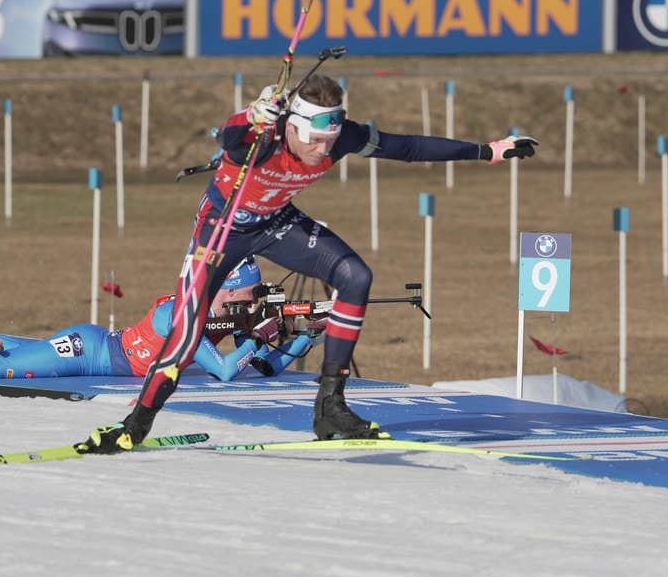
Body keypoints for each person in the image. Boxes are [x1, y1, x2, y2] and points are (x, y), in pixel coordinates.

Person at [83, 74, 538, 453]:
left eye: (332, 141)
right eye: (317, 141)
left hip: (276, 223)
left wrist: (488, 151)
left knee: (356, 276)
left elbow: (409, 147)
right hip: (220, 233)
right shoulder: (262, 140)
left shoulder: (339, 139)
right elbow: (232, 139)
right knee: (186, 332)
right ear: (293, 127)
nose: (325, 152)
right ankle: (135, 425)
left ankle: (330, 407)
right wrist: (251, 115)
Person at [0, 258, 316, 382]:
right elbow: (223, 371)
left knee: (8, 360)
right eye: (250, 293)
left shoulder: (220, 318)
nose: (254, 299)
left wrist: (304, 338)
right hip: (91, 351)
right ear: (228, 292)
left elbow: (265, 367)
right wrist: (257, 337)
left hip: (100, 353)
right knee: (0, 373)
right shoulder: (185, 314)